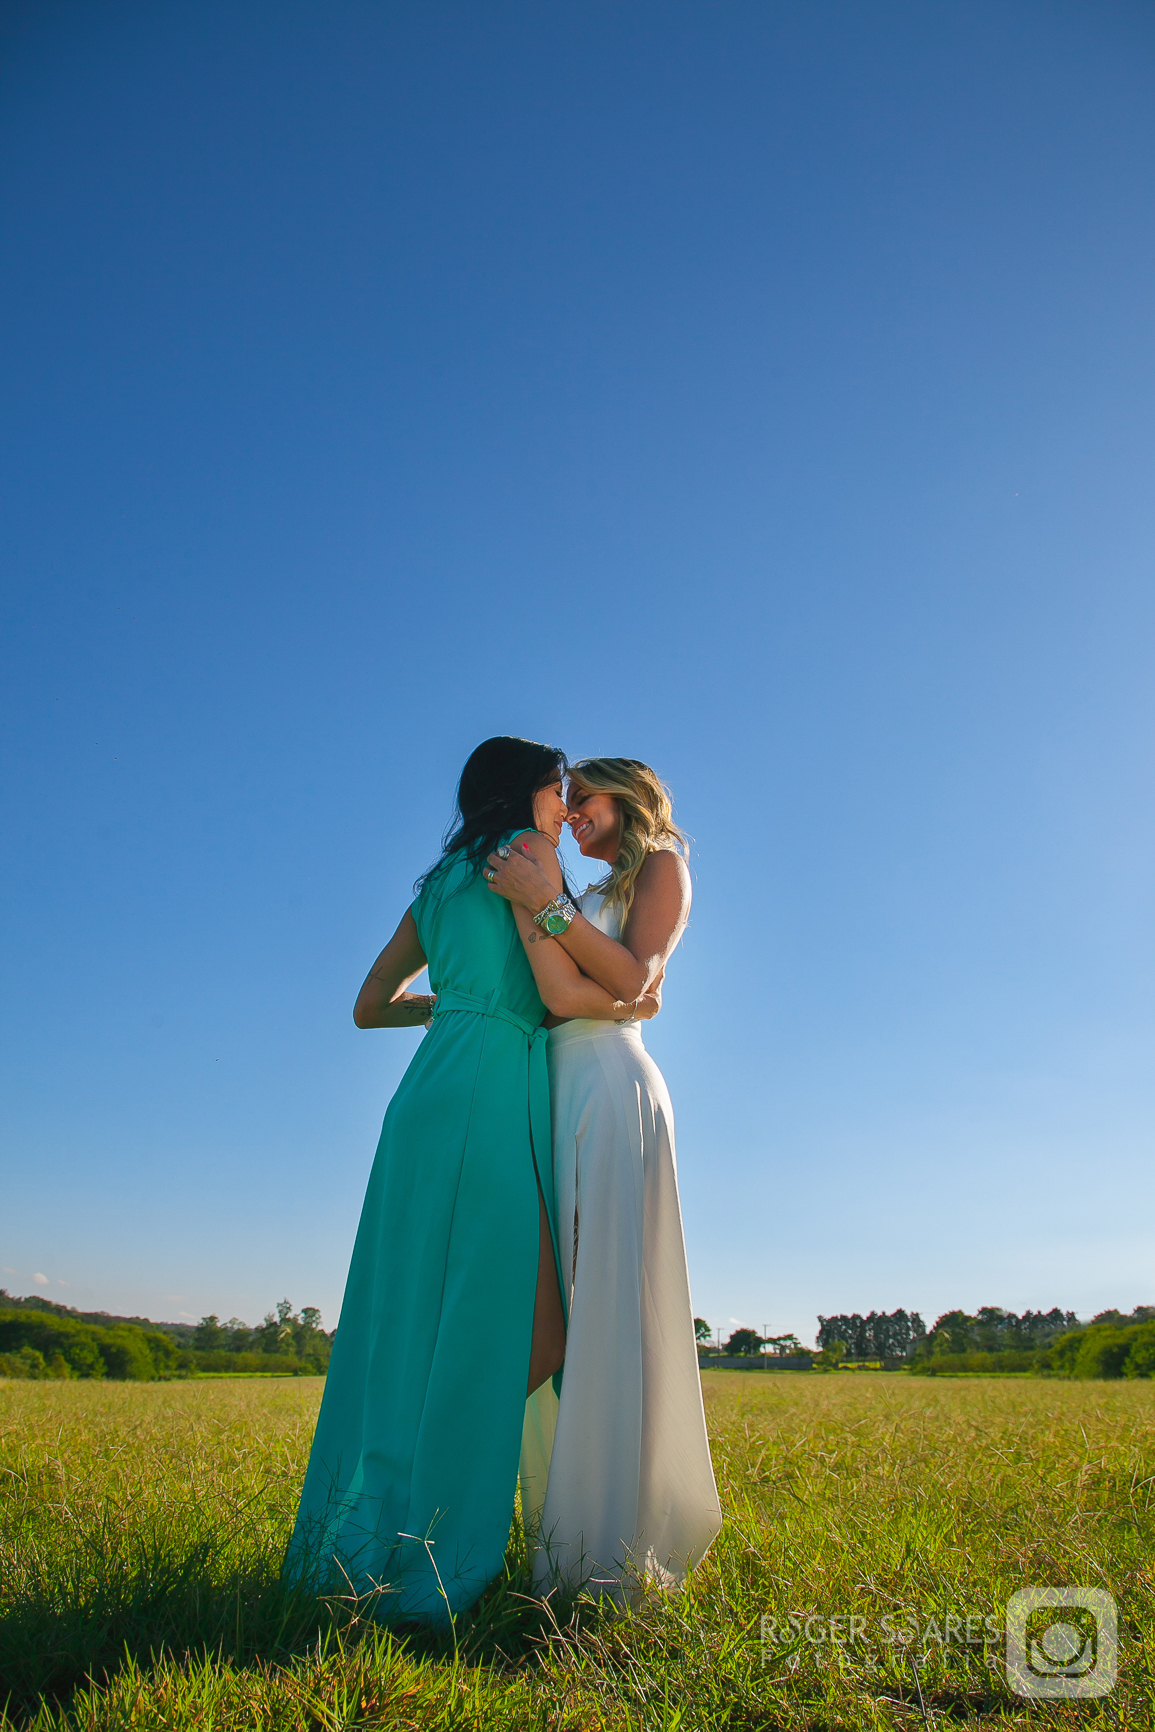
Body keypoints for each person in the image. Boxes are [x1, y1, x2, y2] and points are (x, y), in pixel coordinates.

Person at [284, 737, 659, 1624]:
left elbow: (368, 1004)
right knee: (525, 1328)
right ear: (524, 796)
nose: (563, 810)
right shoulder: (526, 864)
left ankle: (383, 1521)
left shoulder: (439, 880)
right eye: (552, 791)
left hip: (429, 1090)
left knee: (408, 1315)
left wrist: (449, 1005)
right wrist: (613, 998)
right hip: (494, 1090)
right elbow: (574, 987)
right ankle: (436, 1543)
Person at [484, 757, 722, 1602]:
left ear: (625, 794)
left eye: (583, 797)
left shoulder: (661, 864)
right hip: (552, 1084)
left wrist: (550, 914)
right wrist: (583, 956)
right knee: (550, 1312)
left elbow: (633, 978)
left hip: (614, 1089)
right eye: (568, 799)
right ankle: (562, 1528)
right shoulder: (579, 899)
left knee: (612, 1305)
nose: (573, 813)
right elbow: (566, 994)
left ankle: (611, 1549)